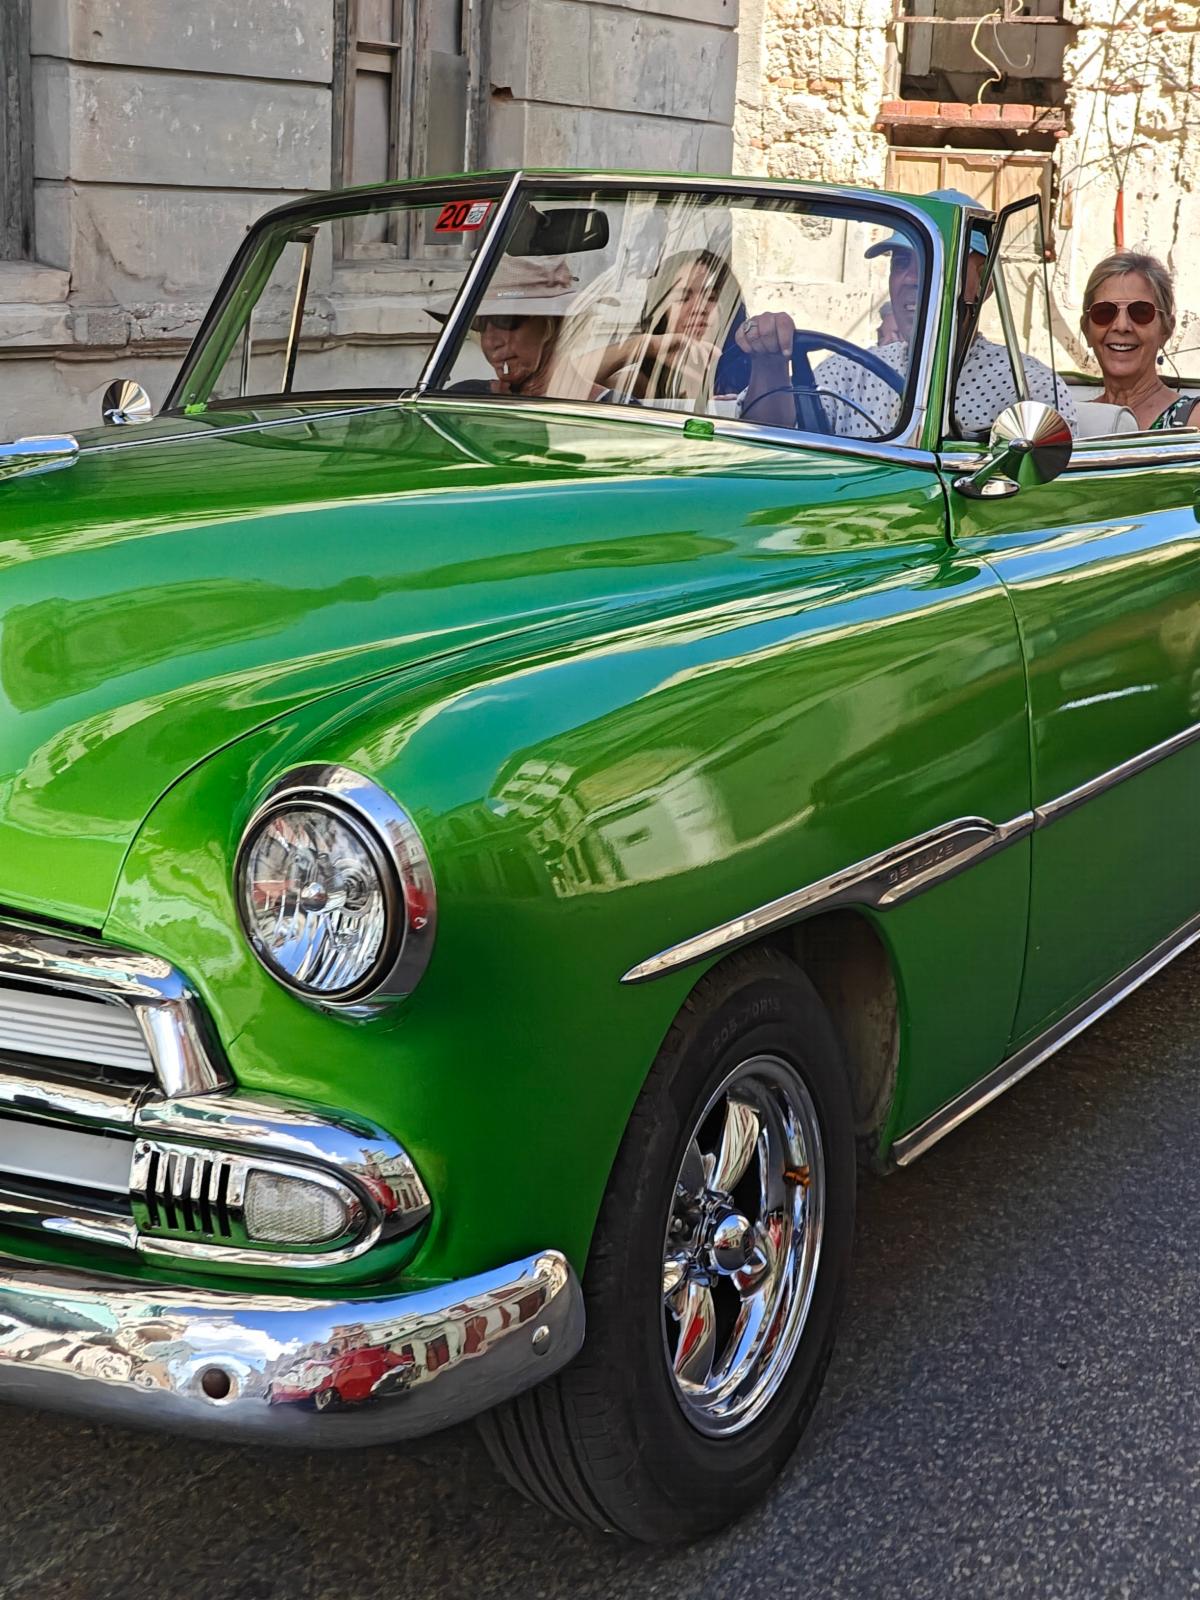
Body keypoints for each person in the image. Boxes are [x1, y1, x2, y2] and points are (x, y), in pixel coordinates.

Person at [736, 188, 1077, 439]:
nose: (912, 279)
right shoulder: (845, 371)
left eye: (938, 262)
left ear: (984, 282)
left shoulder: (1028, 390)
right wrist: (769, 361)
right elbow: (771, 446)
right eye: (901, 263)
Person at [438, 256, 616, 403]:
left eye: (505, 321)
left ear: (552, 323)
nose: (490, 341)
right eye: (479, 323)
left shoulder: (616, 413)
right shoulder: (463, 399)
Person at [593, 249, 747, 403]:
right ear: (662, 313)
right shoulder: (639, 386)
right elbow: (572, 386)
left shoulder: (751, 380)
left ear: (729, 310)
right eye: (683, 298)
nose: (699, 309)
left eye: (711, 298)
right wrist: (642, 345)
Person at [1080, 250, 1198, 430]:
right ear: (1086, 329)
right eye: (1104, 312)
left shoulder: (1193, 423)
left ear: (1166, 329)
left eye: (1141, 312)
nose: (1121, 325)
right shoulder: (1073, 423)